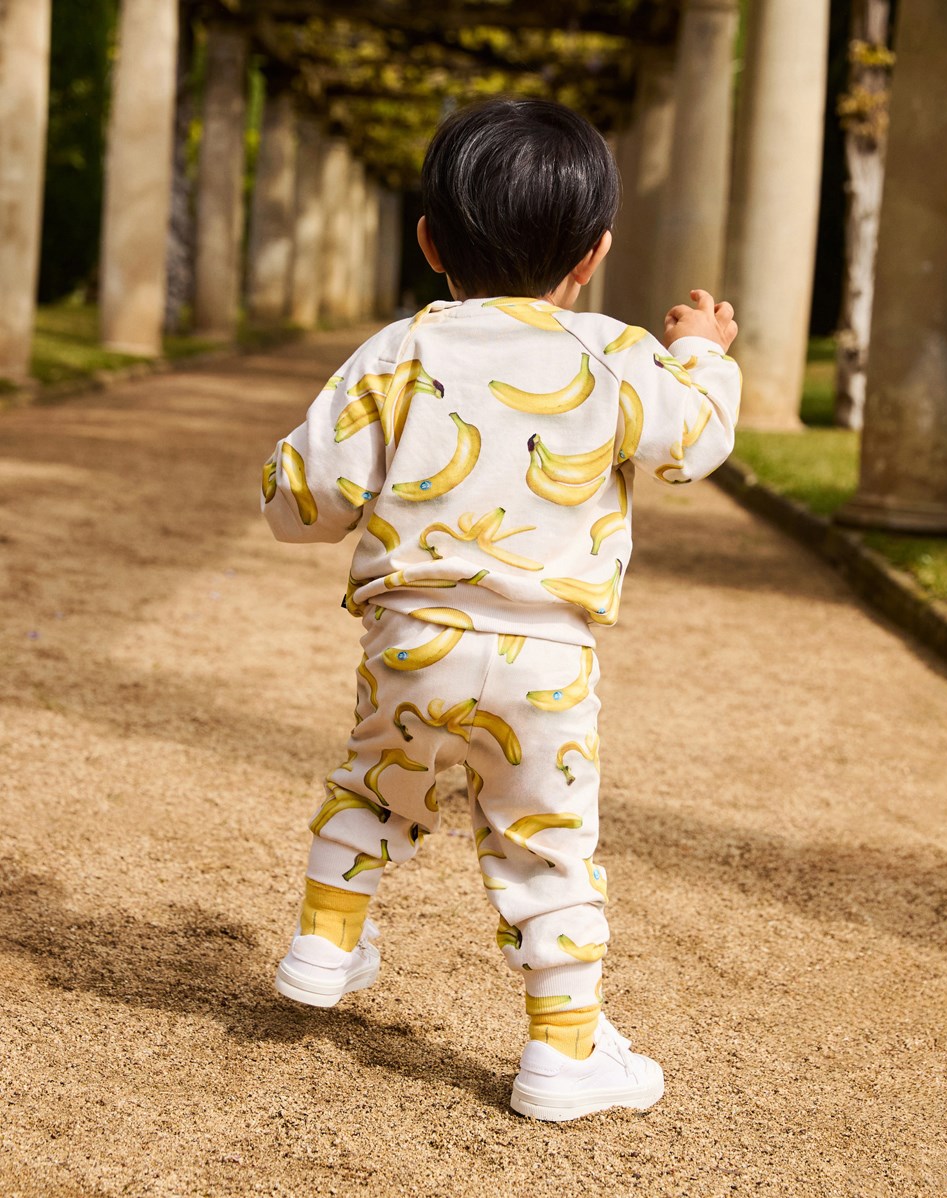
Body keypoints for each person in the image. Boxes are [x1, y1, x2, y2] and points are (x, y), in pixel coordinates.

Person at [261, 97, 740, 1122]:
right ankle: (562, 1054)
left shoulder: (399, 351)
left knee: (374, 784)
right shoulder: (614, 356)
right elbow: (694, 440)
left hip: (411, 639)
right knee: (544, 841)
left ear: (430, 240)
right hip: (545, 656)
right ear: (595, 254)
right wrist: (698, 351)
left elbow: (304, 502)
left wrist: (288, 475)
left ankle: (324, 940)